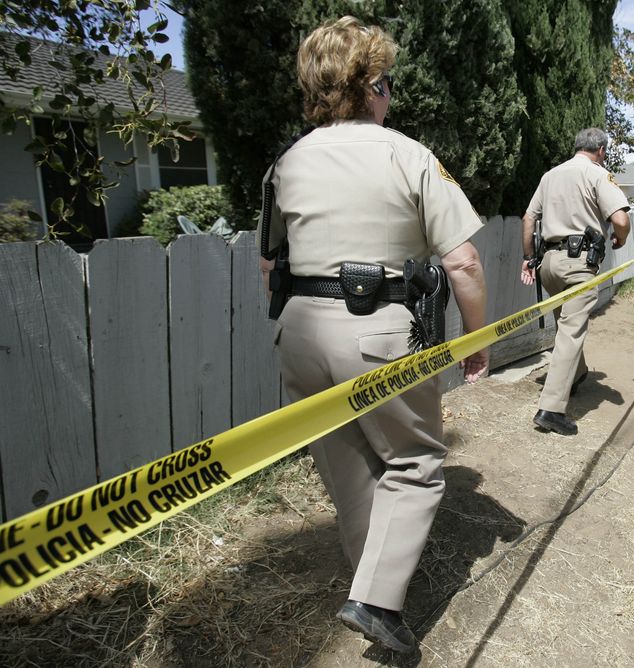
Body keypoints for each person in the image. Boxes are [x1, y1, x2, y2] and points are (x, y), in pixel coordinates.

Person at [256, 17, 489, 653]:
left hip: (300, 334)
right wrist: (476, 342)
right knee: (414, 461)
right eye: (387, 86)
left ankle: (369, 575)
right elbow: (463, 261)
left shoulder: (288, 161)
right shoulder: (407, 154)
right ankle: (377, 601)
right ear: (373, 85)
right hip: (380, 334)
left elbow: (271, 261)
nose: (391, 98)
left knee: (345, 460)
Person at [519, 128, 630, 436]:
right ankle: (551, 409)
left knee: (564, 322)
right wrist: (621, 239)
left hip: (549, 264)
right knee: (571, 331)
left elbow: (528, 219)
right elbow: (620, 219)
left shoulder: (550, 175)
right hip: (579, 263)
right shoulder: (597, 174)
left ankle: (577, 374)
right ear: (602, 151)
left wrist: (529, 257)